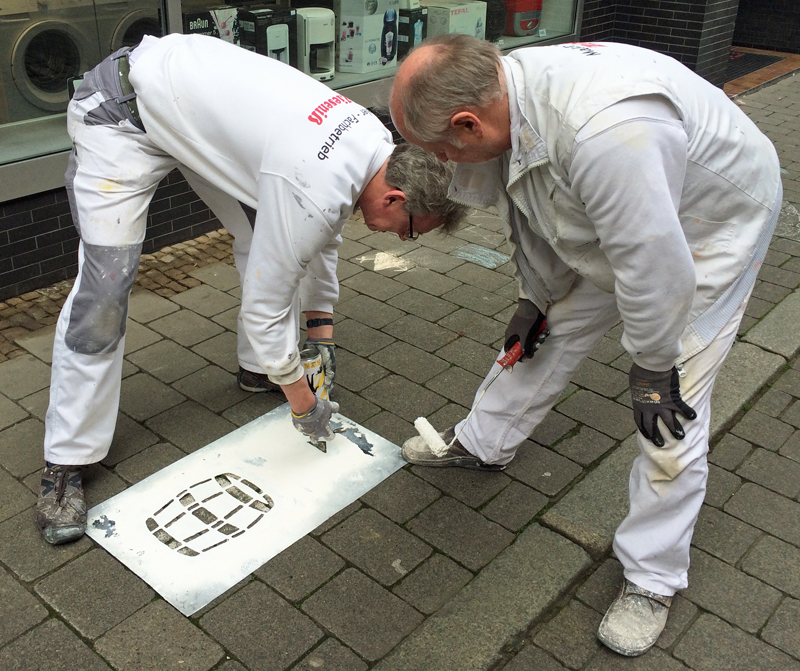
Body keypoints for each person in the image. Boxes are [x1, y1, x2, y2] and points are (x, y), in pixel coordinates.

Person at [390, 35, 781, 657]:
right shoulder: (508, 100)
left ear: (469, 120)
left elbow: (657, 269)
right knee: (548, 330)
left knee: (672, 407)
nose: (444, 161)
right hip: (631, 211)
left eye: (442, 149)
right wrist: (534, 298)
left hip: (708, 222)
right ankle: (481, 444)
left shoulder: (606, 131)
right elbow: (535, 214)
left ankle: (652, 577)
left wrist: (653, 368)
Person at [37, 32, 466, 547]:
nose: (403, 238)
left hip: (192, 114)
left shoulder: (370, 146)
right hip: (121, 111)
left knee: (264, 233)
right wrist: (304, 402)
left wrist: (320, 337)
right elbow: (274, 290)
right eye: (411, 229)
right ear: (396, 198)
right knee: (104, 293)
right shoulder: (316, 180)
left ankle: (257, 369)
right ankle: (66, 460)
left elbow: (315, 243)